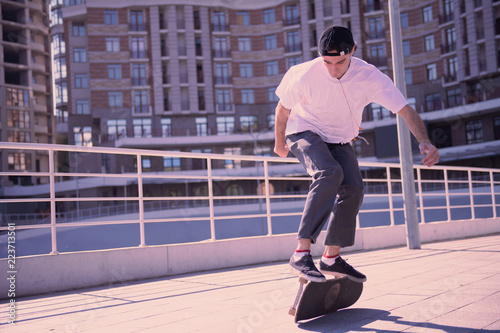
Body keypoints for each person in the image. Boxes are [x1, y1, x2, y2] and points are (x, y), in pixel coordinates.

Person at [273, 26, 439, 283]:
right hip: (303, 130)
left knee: (354, 187)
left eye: (340, 61)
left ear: (352, 51)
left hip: (338, 138)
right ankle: (301, 252)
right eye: (327, 62)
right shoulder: (306, 75)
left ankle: (330, 258)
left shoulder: (370, 77)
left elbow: (405, 110)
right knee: (329, 172)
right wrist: (279, 143)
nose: (333, 69)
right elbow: (282, 111)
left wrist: (425, 141)